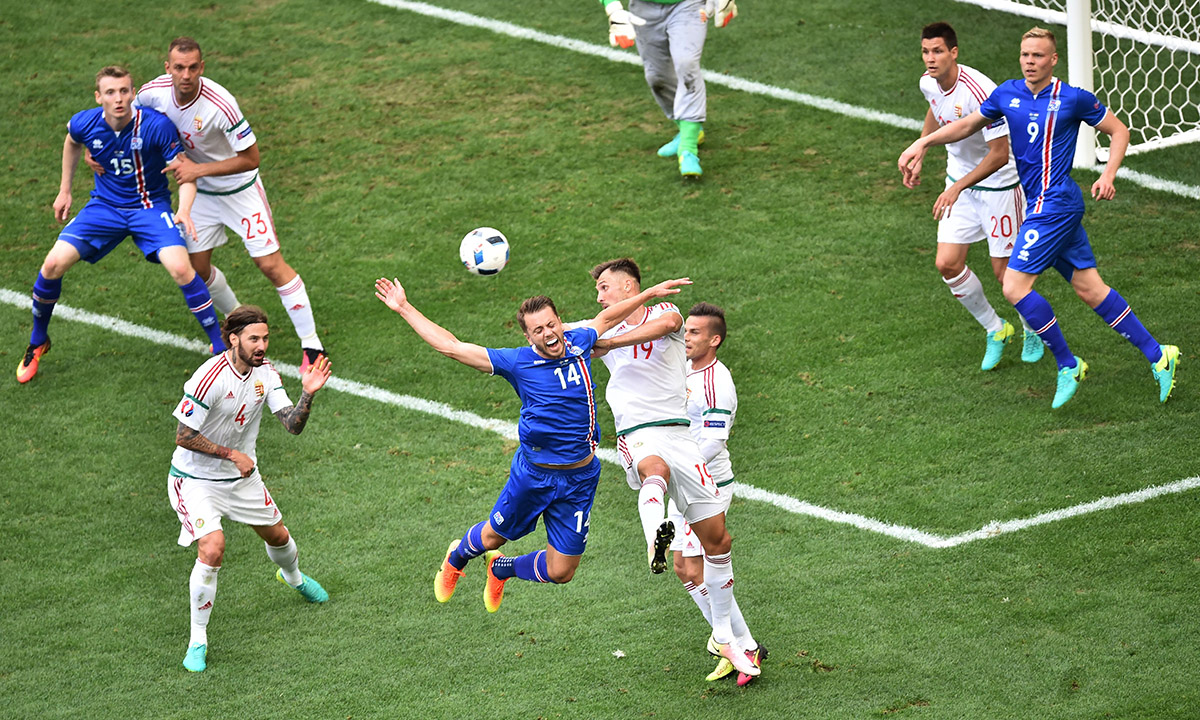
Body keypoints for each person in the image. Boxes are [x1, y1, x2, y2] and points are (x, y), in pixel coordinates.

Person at [373, 273, 689, 617]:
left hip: (581, 478)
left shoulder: (579, 341)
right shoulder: (518, 362)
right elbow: (451, 346)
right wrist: (404, 308)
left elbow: (607, 318)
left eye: (551, 325)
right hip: (535, 476)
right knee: (493, 537)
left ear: (560, 322)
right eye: (538, 331)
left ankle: (501, 569)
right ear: (527, 336)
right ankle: (457, 557)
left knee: (561, 572)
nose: (548, 334)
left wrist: (650, 294)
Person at [899, 27, 1180, 409]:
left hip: (1055, 204)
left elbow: (1119, 131)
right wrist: (923, 142)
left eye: (1037, 56)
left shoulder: (1073, 99)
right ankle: (1160, 355)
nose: (1029, 62)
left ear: (1053, 60)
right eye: (1024, 55)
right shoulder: (1007, 94)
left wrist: (1108, 173)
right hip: (1039, 203)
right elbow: (966, 125)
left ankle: (1069, 365)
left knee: (1014, 286)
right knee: (1090, 289)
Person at [589, 259, 762, 680]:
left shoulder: (669, 316)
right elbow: (560, 340)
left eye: (606, 287)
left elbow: (664, 323)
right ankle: (654, 539)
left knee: (718, 543)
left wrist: (610, 343)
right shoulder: (598, 325)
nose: (599, 296)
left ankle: (725, 635)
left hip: (684, 439)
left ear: (630, 287)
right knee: (654, 472)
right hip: (638, 431)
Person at [17, 66, 225, 384]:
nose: (119, 99)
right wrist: (65, 189)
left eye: (125, 91)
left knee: (182, 269)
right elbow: (72, 141)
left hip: (149, 208)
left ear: (133, 93)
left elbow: (185, 172)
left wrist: (184, 210)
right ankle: (37, 342)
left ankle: (219, 347)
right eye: (111, 92)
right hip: (104, 208)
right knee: (51, 264)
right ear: (99, 96)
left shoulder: (156, 126)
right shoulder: (84, 122)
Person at [131, 37, 326, 371]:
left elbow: (251, 158)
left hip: (240, 192)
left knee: (270, 265)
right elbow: (127, 123)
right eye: (179, 67)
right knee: (196, 270)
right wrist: (95, 151)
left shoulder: (220, 104)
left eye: (193, 67)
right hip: (201, 195)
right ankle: (239, 323)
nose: (186, 75)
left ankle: (312, 347)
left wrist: (198, 169)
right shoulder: (151, 93)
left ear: (202, 68)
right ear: (168, 68)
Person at [168, 305, 332, 673]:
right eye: (254, 338)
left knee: (279, 537)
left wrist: (308, 394)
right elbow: (183, 436)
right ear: (234, 339)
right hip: (195, 481)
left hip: (241, 479)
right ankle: (198, 640)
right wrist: (231, 454)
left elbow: (292, 425)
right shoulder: (208, 378)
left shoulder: (267, 374)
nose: (262, 345)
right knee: (213, 548)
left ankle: (294, 578)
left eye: (266, 338)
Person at [904, 22, 1045, 371]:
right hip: (962, 182)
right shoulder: (928, 81)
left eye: (937, 51)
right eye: (925, 51)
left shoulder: (980, 92)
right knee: (947, 264)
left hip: (999, 185)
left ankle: (1033, 329)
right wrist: (924, 148)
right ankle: (996, 329)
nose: (930, 58)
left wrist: (956, 186)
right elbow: (936, 109)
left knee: (1006, 276)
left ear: (954, 52)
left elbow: (999, 153)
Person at [599, 0, 738, 177]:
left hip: (687, 5)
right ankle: (688, 128)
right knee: (657, 77)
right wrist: (613, 10)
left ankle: (688, 149)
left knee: (686, 64)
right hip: (644, 9)